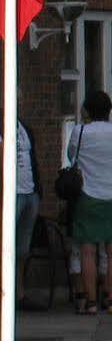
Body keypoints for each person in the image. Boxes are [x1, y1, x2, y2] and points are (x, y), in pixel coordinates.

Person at [68, 91, 112, 316]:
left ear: (87, 110)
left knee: (88, 250)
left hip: (89, 194)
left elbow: (71, 156)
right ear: (109, 111)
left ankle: (91, 302)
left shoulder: (80, 131)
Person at [11, 116, 38, 300]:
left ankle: (19, 290)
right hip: (12, 193)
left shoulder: (24, 128)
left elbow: (32, 159)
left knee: (22, 247)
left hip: (29, 192)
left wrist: (38, 190)